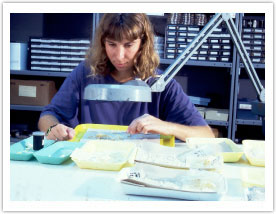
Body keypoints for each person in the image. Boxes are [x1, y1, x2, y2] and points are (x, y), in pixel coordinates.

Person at [38, 13, 214, 142]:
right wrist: (53, 129)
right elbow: (48, 115)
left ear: (143, 44)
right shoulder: (85, 74)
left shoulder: (162, 84)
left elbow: (206, 135)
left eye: (128, 45)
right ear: (102, 43)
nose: (119, 55)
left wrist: (164, 126)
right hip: (94, 163)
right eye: (112, 44)